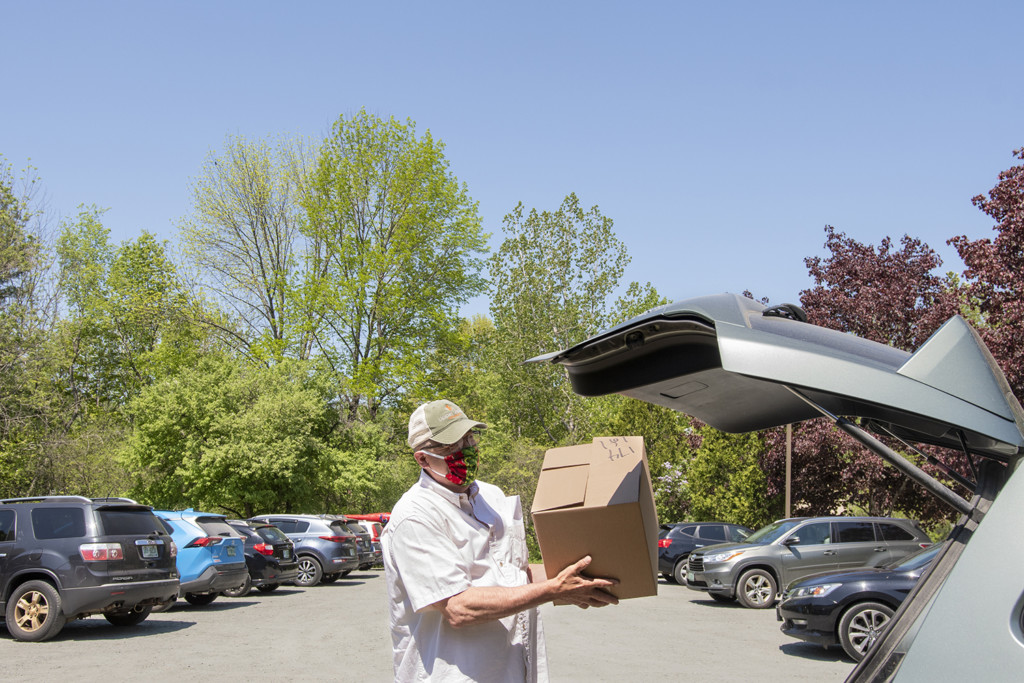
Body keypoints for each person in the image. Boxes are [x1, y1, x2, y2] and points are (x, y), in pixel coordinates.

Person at [381, 399, 619, 682]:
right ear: (422, 458)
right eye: (450, 446)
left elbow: (518, 572)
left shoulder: (491, 497)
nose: (465, 450)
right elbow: (458, 608)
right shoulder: (415, 516)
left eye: (468, 437)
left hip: (512, 671)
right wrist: (554, 590)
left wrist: (592, 572)